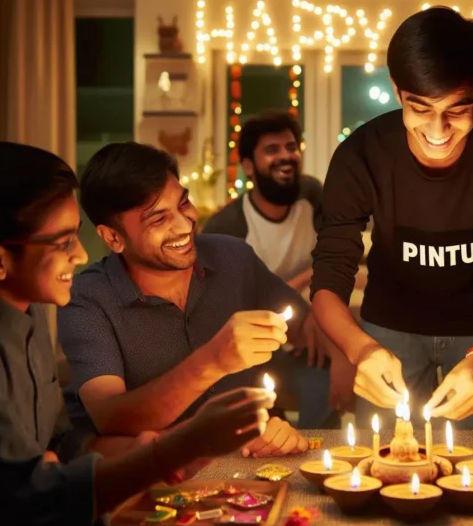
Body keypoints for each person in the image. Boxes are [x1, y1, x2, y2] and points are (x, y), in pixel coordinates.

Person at [0, 142, 274, 526]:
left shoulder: (21, 311)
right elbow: (28, 499)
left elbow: (58, 443)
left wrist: (154, 445)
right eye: (63, 242)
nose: (81, 256)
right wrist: (175, 450)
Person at [311, 6, 473, 429]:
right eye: (419, 108)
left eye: (457, 110)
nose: (438, 130)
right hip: (388, 329)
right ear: (397, 90)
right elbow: (329, 277)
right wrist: (361, 351)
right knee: (385, 465)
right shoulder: (360, 156)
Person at [58, 142, 308, 459]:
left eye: (183, 203)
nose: (184, 224)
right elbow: (110, 418)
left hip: (245, 469)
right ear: (113, 238)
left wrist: (346, 354)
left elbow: (305, 322)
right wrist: (214, 360)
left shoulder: (232, 256)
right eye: (158, 219)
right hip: (144, 479)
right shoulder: (87, 298)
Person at [203, 110, 354, 425]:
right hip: (252, 342)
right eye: (272, 150)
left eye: (291, 147)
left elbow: (336, 254)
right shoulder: (227, 226)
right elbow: (227, 305)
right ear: (248, 166)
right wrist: (301, 304)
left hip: (308, 333)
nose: (286, 156)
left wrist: (315, 302)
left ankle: (318, 464)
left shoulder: (311, 195)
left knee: (323, 385)